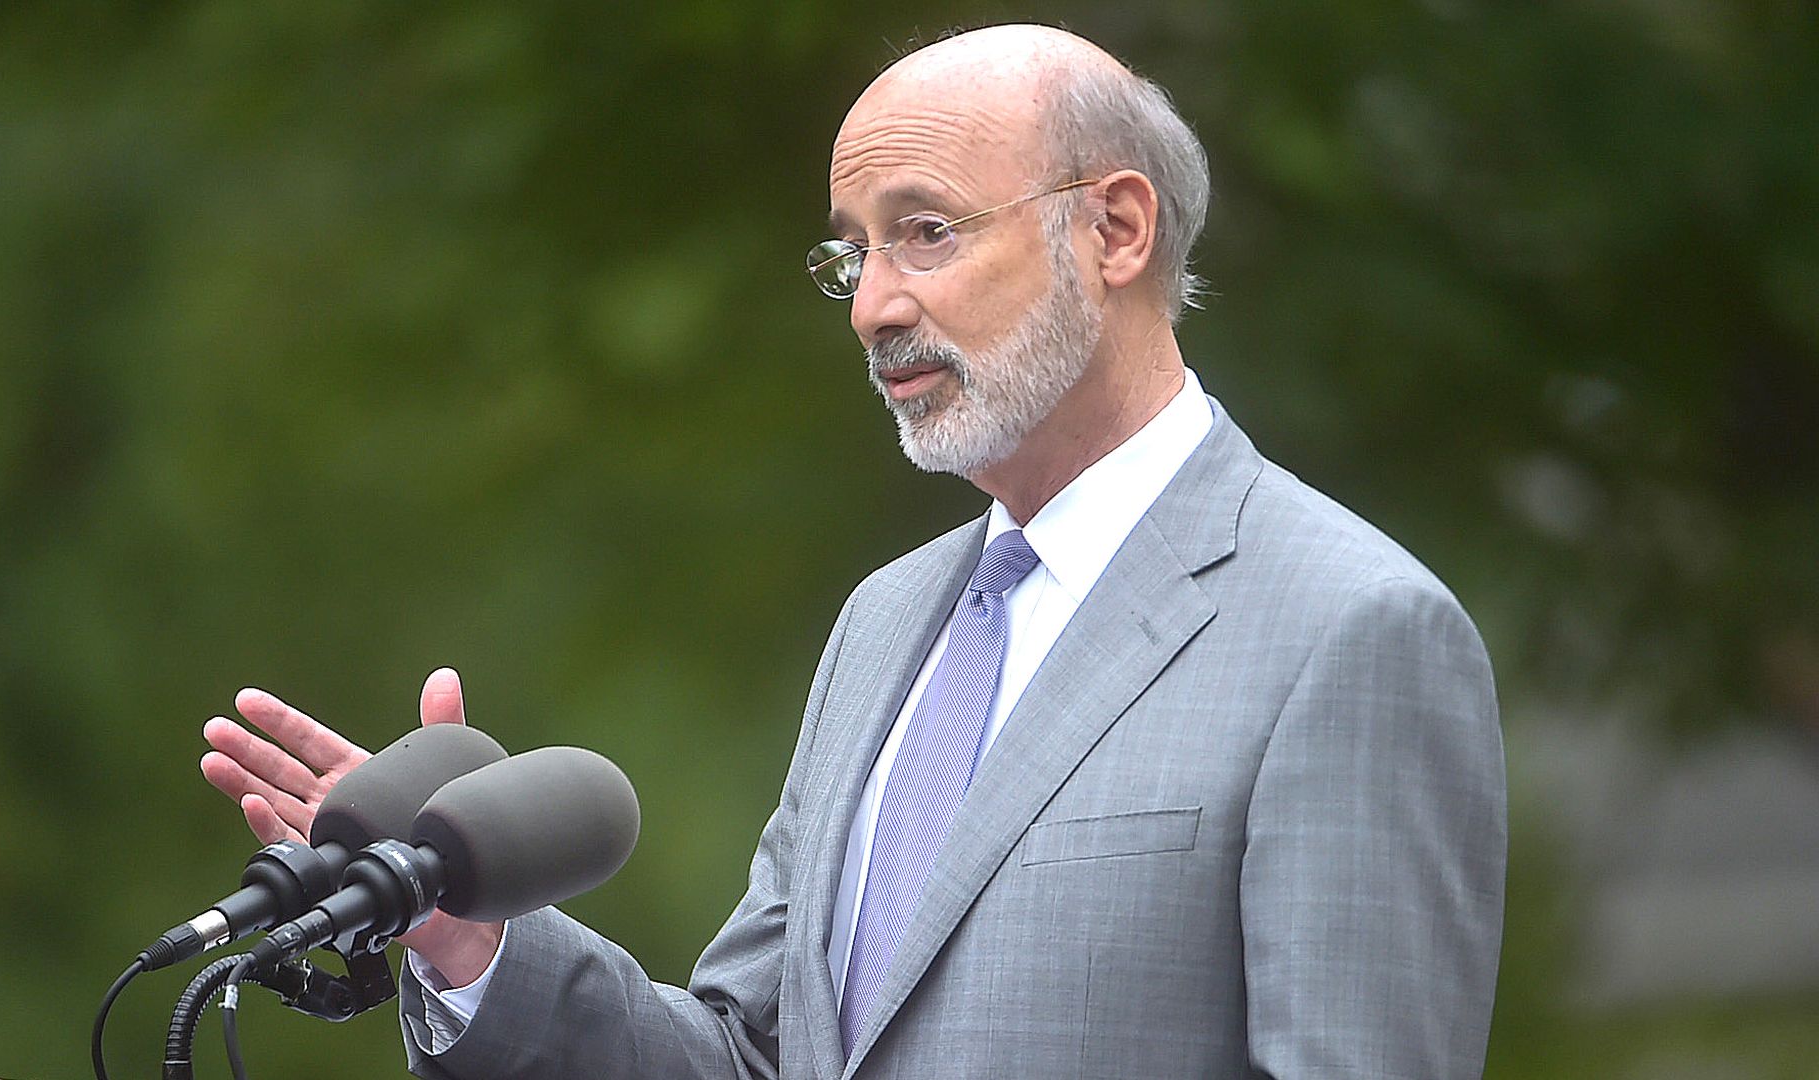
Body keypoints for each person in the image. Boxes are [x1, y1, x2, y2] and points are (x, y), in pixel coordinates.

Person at [200, 23, 1506, 1079]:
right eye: (852, 253)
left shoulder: (1352, 631)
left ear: (1115, 229)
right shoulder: (890, 624)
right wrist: (468, 934)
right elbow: (750, 1057)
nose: (876, 303)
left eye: (925, 231)